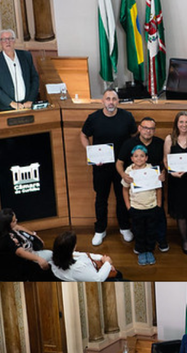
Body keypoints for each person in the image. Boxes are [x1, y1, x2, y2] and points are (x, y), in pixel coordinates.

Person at [80, 88, 137, 246]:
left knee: (122, 197)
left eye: (114, 99)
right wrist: (89, 151)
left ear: (118, 101)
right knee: (101, 199)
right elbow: (83, 135)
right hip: (101, 166)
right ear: (102, 101)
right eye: (108, 99)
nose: (111, 102)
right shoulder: (93, 118)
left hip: (122, 166)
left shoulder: (127, 117)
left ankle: (125, 227)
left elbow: (134, 136)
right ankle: (100, 230)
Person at [116, 117, 169, 253]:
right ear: (139, 128)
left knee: (158, 216)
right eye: (145, 128)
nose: (148, 131)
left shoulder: (159, 143)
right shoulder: (129, 144)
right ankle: (140, 245)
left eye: (151, 128)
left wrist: (164, 172)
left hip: (154, 190)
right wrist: (123, 175)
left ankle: (161, 240)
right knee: (139, 223)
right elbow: (119, 162)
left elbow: (165, 162)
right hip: (136, 196)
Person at [164, 111, 187, 256]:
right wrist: (171, 171)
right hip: (176, 181)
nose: (184, 125)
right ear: (176, 123)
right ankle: (184, 240)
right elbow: (165, 160)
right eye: (181, 122)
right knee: (180, 213)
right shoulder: (169, 138)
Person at [0, 208, 53, 281]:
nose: (16, 221)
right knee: (51, 255)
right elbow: (20, 252)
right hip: (11, 270)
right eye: (14, 221)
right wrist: (38, 259)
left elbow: (17, 227)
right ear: (7, 224)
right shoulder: (5, 239)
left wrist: (33, 234)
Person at [122, 145, 162, 266]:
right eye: (136, 156)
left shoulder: (152, 170)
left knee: (151, 231)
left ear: (146, 158)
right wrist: (129, 207)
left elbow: (158, 188)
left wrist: (158, 204)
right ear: (132, 158)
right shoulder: (128, 172)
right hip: (136, 208)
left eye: (142, 156)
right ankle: (140, 250)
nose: (139, 158)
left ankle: (149, 250)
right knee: (138, 231)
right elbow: (124, 190)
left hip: (151, 207)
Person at [0, 29, 39, 111]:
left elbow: (35, 78)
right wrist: (11, 103)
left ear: (14, 41)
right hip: (7, 108)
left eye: (10, 39)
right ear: (0, 42)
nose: (7, 42)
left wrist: (30, 100)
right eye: (4, 39)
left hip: (27, 105)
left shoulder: (26, 56)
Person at [50, 231, 121, 282]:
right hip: (96, 275)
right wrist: (107, 263)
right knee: (119, 275)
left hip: (93, 267)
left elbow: (83, 254)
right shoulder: (78, 268)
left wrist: (101, 258)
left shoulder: (59, 256)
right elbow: (98, 279)